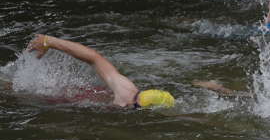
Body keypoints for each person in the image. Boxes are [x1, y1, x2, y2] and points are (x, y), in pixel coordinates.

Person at [25, 34, 175, 109]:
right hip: (65, 98)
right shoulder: (126, 92)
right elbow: (93, 57)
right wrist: (48, 41)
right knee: (18, 93)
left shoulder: (131, 98)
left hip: (86, 100)